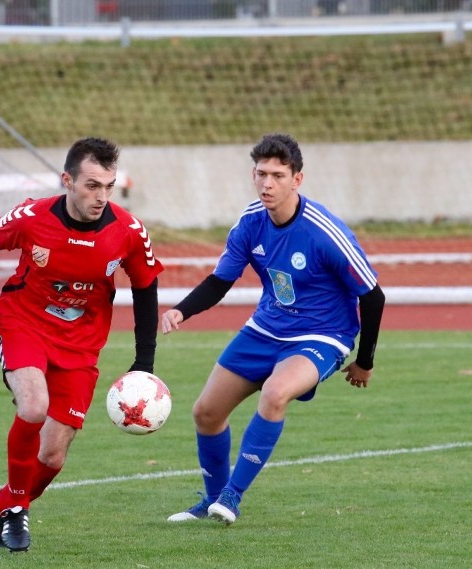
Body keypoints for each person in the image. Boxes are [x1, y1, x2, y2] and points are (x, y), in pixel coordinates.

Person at [163, 133, 385, 525]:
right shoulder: (250, 222)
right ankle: (212, 501)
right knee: (206, 412)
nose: (267, 184)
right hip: (266, 328)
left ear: (297, 180)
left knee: (275, 393)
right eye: (261, 174)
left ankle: (232, 496)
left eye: (278, 175)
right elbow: (220, 280)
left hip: (322, 335)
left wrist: (364, 361)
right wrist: (182, 311)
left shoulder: (324, 232)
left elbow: (372, 296)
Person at [0, 137, 163, 552]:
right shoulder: (33, 216)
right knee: (33, 405)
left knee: (52, 457)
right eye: (91, 185)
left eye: (108, 186)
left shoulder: (127, 231)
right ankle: (15, 514)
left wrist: (144, 361)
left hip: (81, 344)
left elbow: (145, 286)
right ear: (67, 180)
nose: (101, 196)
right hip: (22, 322)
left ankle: (1, 504)